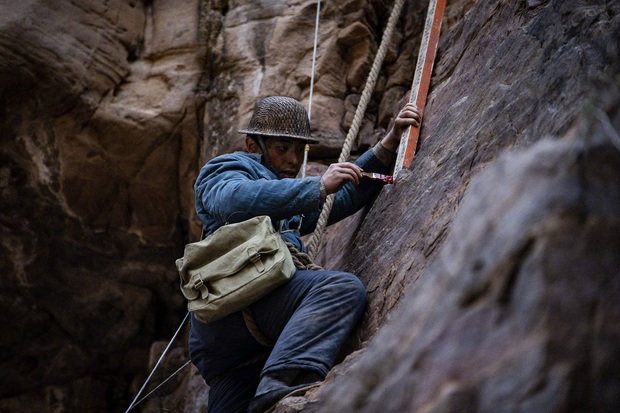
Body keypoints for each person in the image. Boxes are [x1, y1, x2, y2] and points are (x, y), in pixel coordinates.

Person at [189, 96, 421, 413]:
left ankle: (270, 381)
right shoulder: (229, 168)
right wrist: (315, 186)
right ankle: (283, 381)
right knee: (341, 289)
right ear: (253, 145)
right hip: (237, 305)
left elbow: (345, 195)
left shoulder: (287, 204)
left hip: (232, 354)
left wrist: (388, 144)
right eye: (282, 148)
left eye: (299, 150)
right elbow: (233, 199)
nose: (292, 160)